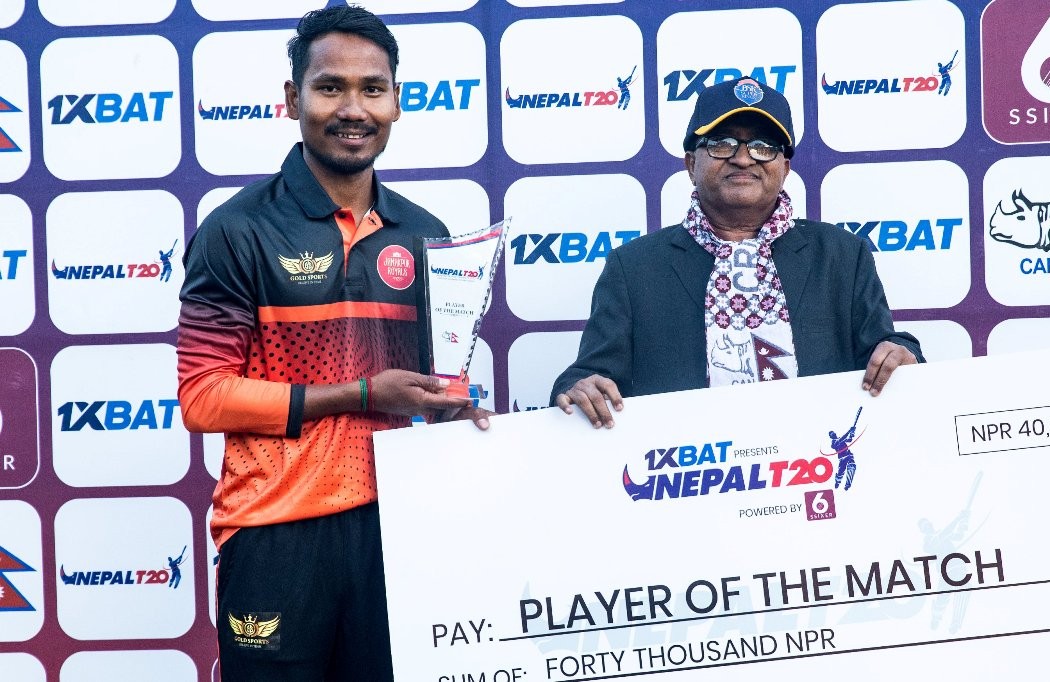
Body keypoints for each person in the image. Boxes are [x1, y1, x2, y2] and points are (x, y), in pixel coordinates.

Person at [176, 6, 488, 679]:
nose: (353, 109)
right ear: (293, 99)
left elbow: (431, 390)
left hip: (395, 529)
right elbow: (203, 397)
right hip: (273, 530)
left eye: (372, 89)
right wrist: (361, 394)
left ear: (397, 101)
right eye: (330, 87)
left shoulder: (426, 234)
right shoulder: (237, 231)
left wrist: (454, 411)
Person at [552, 77, 922, 427]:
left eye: (764, 146)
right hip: (688, 467)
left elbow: (885, 350)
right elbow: (589, 376)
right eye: (722, 143)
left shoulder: (842, 255)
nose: (744, 159)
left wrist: (901, 354)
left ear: (784, 168)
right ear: (691, 164)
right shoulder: (633, 267)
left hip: (814, 462)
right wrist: (580, 388)